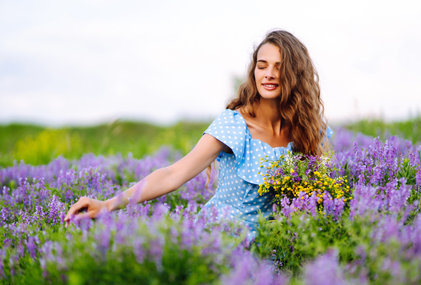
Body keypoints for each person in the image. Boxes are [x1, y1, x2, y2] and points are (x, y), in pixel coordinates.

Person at [64, 30, 331, 237]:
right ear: (254, 71)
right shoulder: (235, 125)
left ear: (295, 74)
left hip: (275, 246)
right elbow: (173, 173)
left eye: (279, 66)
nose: (269, 74)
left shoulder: (306, 130)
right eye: (262, 66)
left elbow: (320, 191)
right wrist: (108, 205)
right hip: (222, 239)